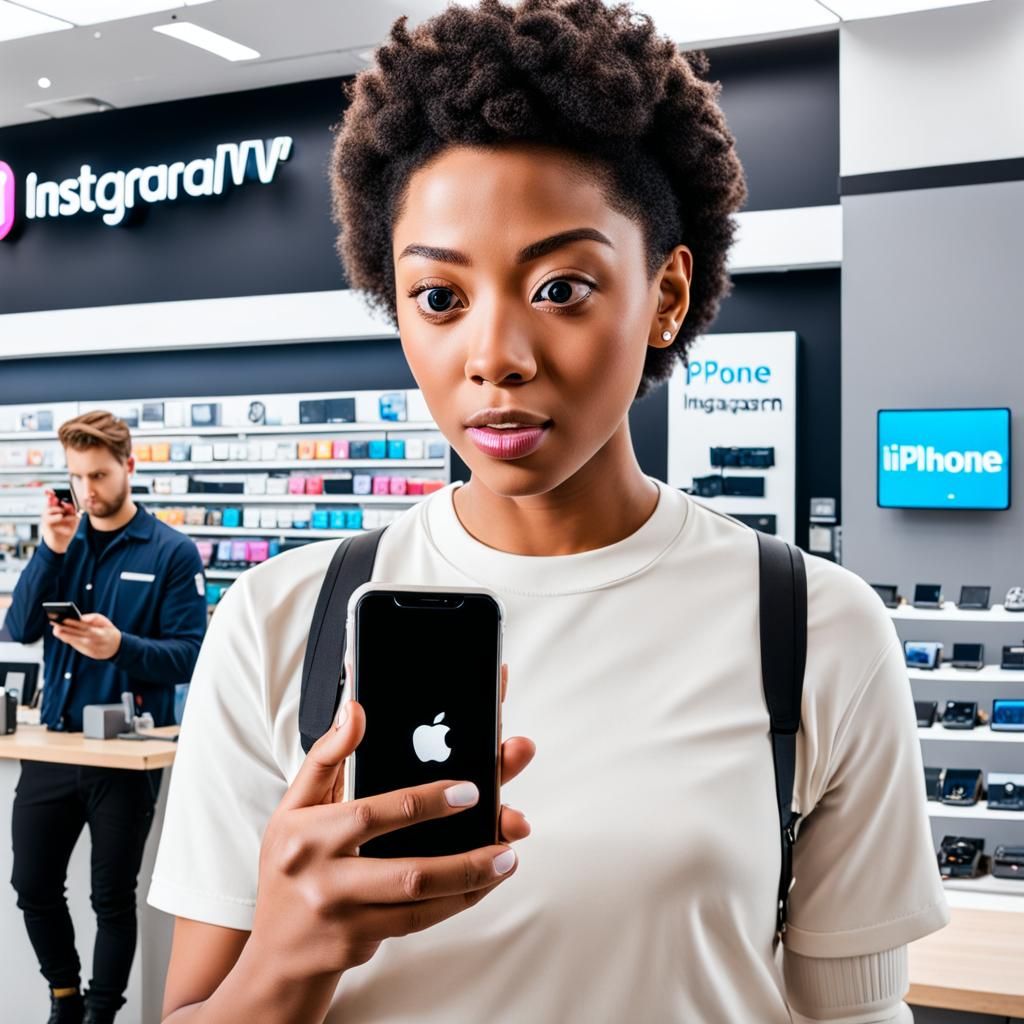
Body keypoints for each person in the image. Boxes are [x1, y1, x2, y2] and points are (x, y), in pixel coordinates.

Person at [148, 2, 949, 1021]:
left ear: (664, 293)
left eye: (562, 286)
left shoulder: (811, 625)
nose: (496, 355)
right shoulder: (281, 618)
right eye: (439, 298)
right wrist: (285, 963)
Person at [5, 411, 207, 1024]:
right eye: (75, 478)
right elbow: (18, 628)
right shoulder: (65, 541)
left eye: (97, 474)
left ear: (129, 466)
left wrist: (120, 647)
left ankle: (100, 1014)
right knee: (32, 886)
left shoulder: (171, 551)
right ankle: (64, 997)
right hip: (56, 748)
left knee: (112, 899)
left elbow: (190, 654)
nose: (86, 491)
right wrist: (50, 550)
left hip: (126, 756)